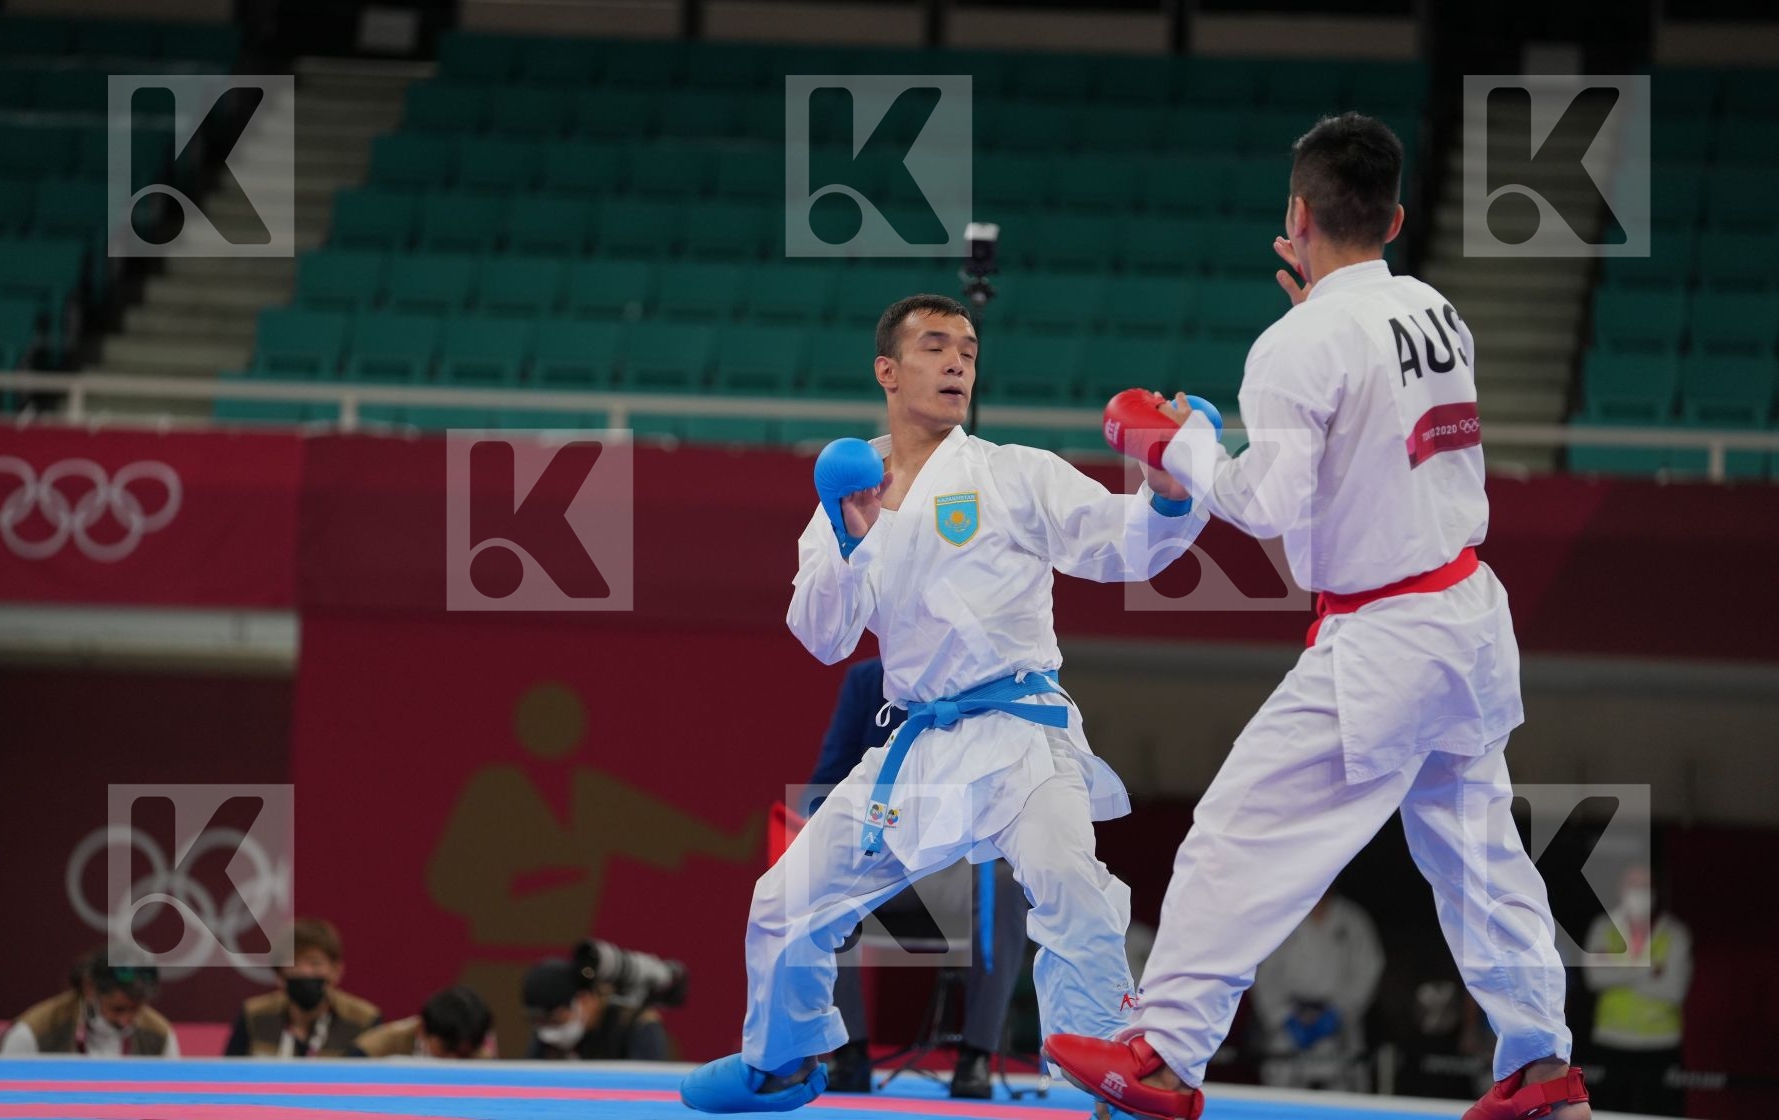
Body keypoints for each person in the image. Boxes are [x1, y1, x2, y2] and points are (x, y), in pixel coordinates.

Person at [1043, 113, 1591, 1120]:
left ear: (1296, 215)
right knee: (1475, 850)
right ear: (1395, 218)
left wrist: (1167, 445)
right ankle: (1543, 1065)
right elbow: (1375, 421)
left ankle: (1163, 1050)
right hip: (1466, 614)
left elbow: (1265, 505)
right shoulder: (1436, 312)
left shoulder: (1298, 343)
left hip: (1386, 637)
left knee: (1239, 833)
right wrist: (1316, 326)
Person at [679, 293, 1210, 1112]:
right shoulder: (847, 492)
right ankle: (779, 1062)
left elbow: (1121, 545)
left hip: (1020, 733)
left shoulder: (1010, 472)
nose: (959, 360)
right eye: (934, 346)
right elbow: (821, 636)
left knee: (1073, 886)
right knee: (783, 901)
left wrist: (1169, 493)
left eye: (967, 347)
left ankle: (1113, 1081)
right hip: (916, 749)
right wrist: (851, 540)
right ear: (887, 371)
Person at [808, 657, 1032, 1099]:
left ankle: (976, 1056)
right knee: (822, 882)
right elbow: (825, 786)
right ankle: (848, 1053)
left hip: (959, 871)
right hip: (880, 865)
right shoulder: (868, 681)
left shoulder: (990, 676)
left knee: (1006, 886)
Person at [1582, 866, 1692, 1116]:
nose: (1639, 893)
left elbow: (1674, 990)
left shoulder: (1675, 934)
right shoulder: (1602, 928)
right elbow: (1594, 978)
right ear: (1619, 889)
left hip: (1661, 1044)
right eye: (1632, 885)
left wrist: (1619, 969)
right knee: (1607, 1113)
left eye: (1646, 886)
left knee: (1662, 1113)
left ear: (1656, 891)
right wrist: (1648, 969)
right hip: (1611, 1041)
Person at [1250, 888, 1384, 1091]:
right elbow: (1264, 971)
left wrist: (1340, 1012)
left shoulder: (1352, 918)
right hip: (1290, 1023)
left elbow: (1370, 968)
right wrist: (1283, 1016)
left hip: (1337, 1023)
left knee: (1341, 1095)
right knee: (1282, 1097)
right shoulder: (1286, 915)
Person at [224, 917, 381, 1057]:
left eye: (315, 963)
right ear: (279, 975)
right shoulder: (253, 1016)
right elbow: (227, 1078)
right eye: (294, 963)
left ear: (336, 971)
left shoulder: (364, 1021)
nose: (305, 972)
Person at [0, 949, 178, 1057]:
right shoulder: (33, 1032)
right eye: (118, 1009)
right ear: (90, 988)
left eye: (136, 1009)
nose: (126, 1020)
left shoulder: (159, 1034)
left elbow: (172, 1106)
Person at [522, 955, 670, 1060]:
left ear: (584, 1000)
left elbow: (645, 1091)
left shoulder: (637, 1026)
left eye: (556, 1019)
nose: (548, 1031)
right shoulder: (547, 1037)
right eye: (540, 1022)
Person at [352, 985, 493, 1058]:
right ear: (422, 1029)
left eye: (463, 1055)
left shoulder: (483, 1062)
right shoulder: (372, 1051)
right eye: (446, 1048)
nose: (453, 1061)